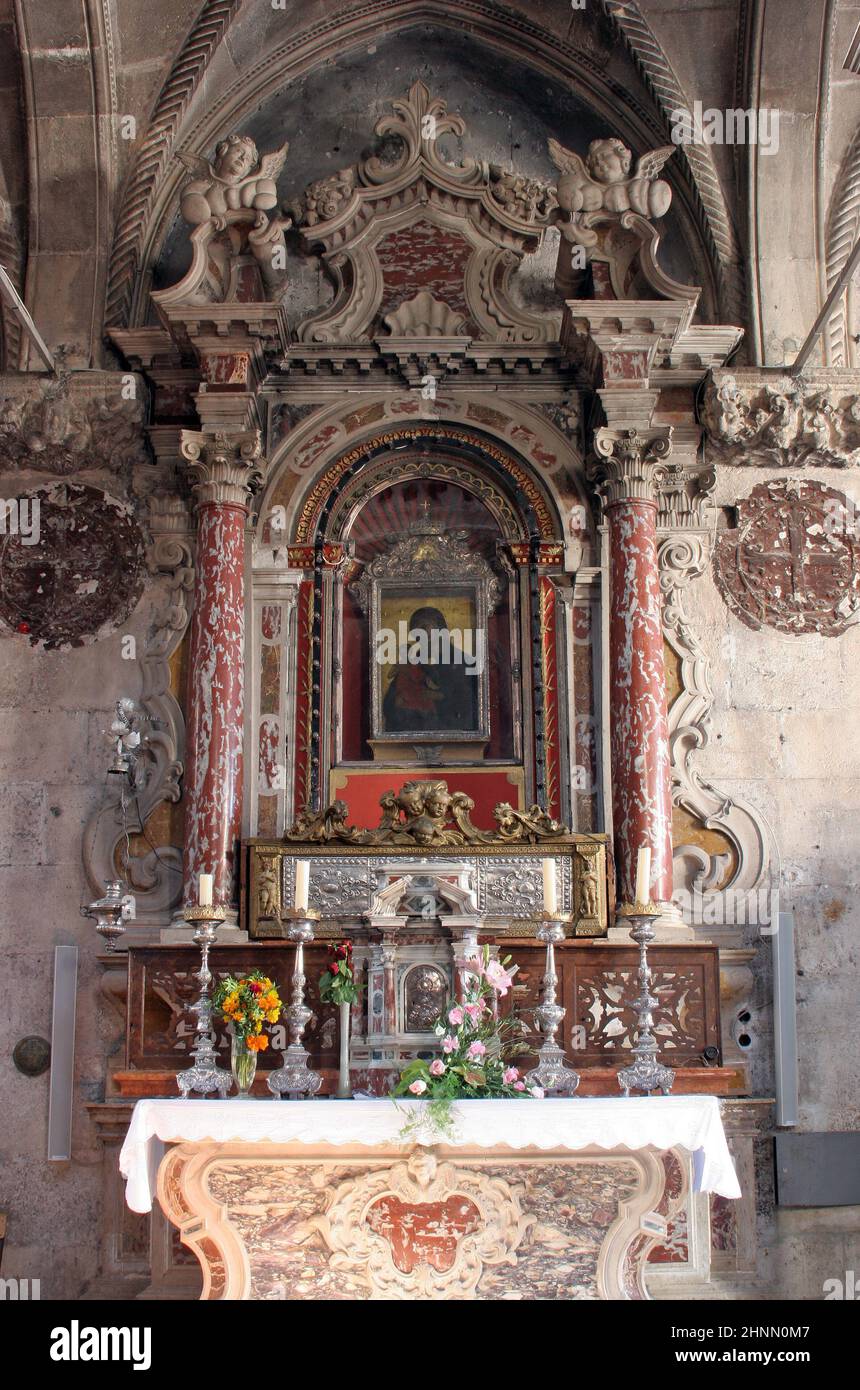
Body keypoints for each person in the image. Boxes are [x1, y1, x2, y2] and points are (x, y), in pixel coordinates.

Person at [382, 606, 478, 733]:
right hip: (411, 739)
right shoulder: (411, 663)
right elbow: (389, 707)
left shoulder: (466, 663)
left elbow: (470, 708)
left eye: (423, 628)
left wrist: (439, 697)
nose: (419, 636)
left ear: (440, 628)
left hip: (453, 739)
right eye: (415, 632)